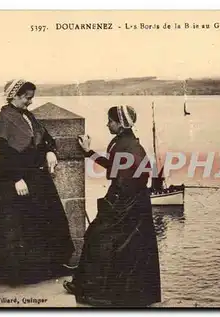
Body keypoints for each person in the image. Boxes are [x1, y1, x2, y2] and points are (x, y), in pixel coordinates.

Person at [63, 105, 161, 307]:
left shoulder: (128, 145)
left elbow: (131, 180)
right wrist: (89, 152)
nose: (108, 124)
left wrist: (113, 204)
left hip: (127, 204)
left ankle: (94, 290)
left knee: (99, 239)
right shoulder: (125, 142)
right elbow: (115, 166)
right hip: (131, 203)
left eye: (111, 121)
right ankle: (93, 287)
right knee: (121, 246)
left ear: (120, 123)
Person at [0, 79, 74, 285]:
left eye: (31, 98)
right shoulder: (4, 119)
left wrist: (50, 151)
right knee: (20, 226)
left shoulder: (28, 116)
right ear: (14, 96)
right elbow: (5, 154)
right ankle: (22, 274)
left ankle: (50, 267)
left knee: (48, 220)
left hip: (37, 178)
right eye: (27, 98)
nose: (30, 102)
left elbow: (46, 139)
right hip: (15, 180)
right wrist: (17, 178)